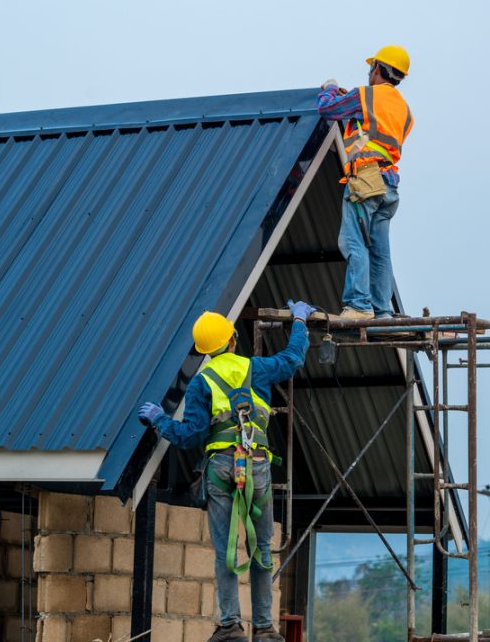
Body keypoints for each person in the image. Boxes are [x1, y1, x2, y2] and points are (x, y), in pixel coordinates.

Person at [139, 302, 315, 642]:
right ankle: (264, 628)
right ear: (233, 339)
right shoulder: (257, 368)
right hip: (257, 464)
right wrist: (299, 321)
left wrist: (158, 418)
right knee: (262, 548)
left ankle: (231, 625)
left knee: (225, 549)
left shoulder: (200, 383)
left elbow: (189, 434)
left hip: (220, 468)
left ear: (203, 352)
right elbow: (293, 359)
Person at [317, 45, 414, 320]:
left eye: (372, 68)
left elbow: (327, 109)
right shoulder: (404, 110)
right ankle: (382, 311)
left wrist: (330, 88)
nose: (369, 72)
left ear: (379, 69)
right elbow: (373, 128)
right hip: (389, 185)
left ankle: (359, 305)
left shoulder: (366, 96)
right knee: (380, 250)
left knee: (353, 241)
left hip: (366, 179)